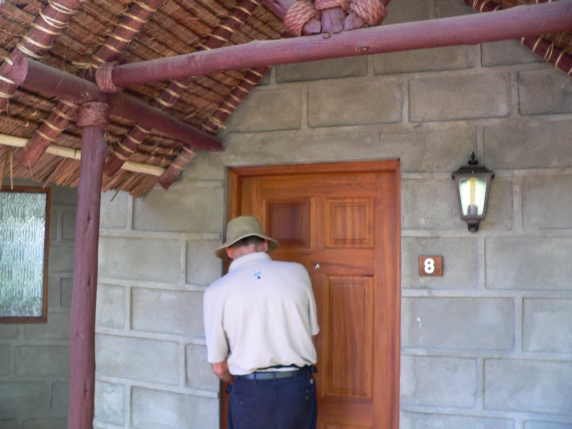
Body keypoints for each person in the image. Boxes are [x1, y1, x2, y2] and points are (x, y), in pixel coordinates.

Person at [203, 215, 320, 429]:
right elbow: (311, 333)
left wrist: (241, 381)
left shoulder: (216, 291)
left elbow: (219, 367)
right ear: (265, 245)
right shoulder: (299, 273)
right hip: (297, 388)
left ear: (229, 251)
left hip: (250, 393)